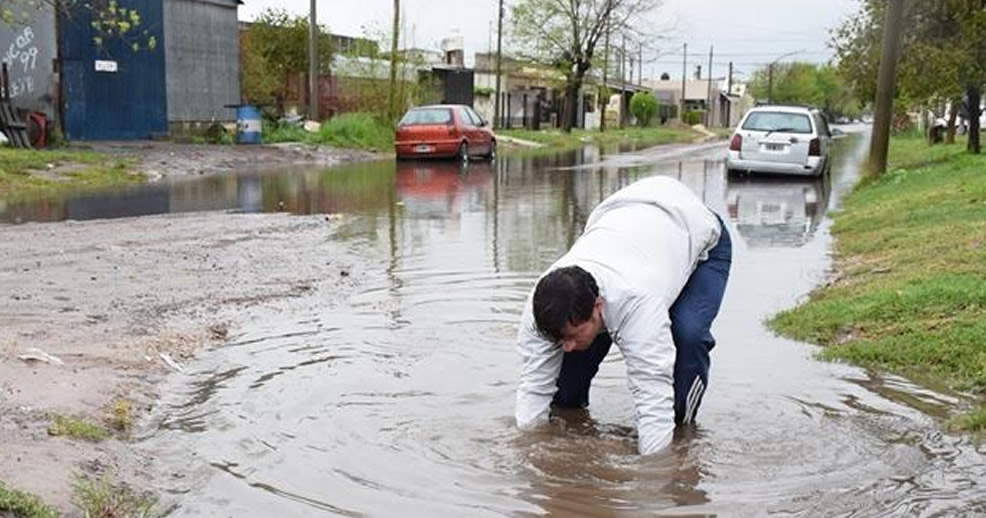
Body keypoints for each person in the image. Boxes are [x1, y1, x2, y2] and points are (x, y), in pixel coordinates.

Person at [515, 175, 732, 455]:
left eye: (571, 335)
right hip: (623, 218)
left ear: (598, 306)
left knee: (686, 334)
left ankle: (682, 428)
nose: (566, 346)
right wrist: (531, 452)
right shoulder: (540, 307)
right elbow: (534, 387)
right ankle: (573, 416)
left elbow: (652, 391)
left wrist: (659, 469)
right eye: (559, 338)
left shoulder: (638, 303)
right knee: (565, 386)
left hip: (697, 234)